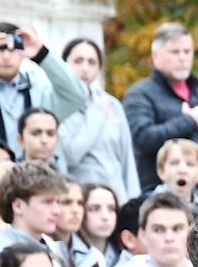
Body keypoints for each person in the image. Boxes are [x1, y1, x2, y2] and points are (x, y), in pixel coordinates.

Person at [0, 19, 88, 158]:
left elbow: (78, 95)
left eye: (12, 49)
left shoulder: (40, 90)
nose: (6, 56)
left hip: (38, 175)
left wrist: (42, 54)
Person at [124, 24, 198, 186]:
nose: (182, 58)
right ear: (155, 56)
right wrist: (188, 121)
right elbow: (142, 139)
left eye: (187, 52)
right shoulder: (139, 94)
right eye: (175, 52)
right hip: (157, 194)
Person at [54, 39, 142, 195]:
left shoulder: (112, 104)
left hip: (116, 197)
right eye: (78, 61)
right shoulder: (58, 103)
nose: (85, 69)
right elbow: (71, 155)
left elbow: (126, 159)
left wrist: (134, 201)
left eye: (92, 62)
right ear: (64, 65)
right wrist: (96, 114)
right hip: (80, 197)